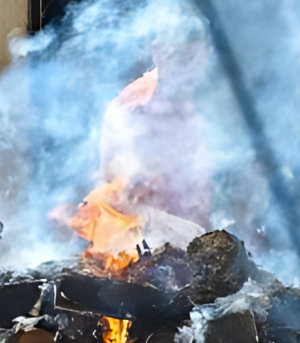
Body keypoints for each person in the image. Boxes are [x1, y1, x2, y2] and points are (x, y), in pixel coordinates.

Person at [68, 20, 213, 270]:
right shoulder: (134, 106)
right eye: (178, 57)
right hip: (146, 246)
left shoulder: (214, 99)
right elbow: (113, 185)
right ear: (157, 53)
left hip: (203, 242)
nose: (187, 68)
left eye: (194, 58)